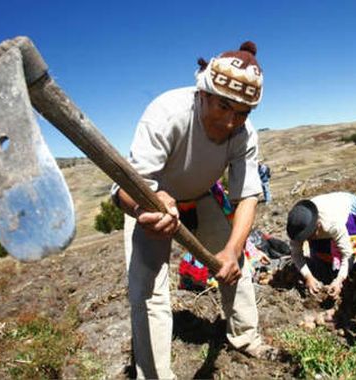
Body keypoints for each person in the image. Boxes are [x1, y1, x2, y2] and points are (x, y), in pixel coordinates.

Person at [113, 41, 272, 378]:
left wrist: (231, 249)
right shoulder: (166, 113)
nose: (231, 121)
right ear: (203, 93)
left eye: (242, 113)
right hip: (153, 201)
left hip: (201, 197)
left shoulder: (245, 134)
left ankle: (245, 337)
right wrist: (146, 208)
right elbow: (124, 188)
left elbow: (247, 196)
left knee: (234, 266)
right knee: (148, 292)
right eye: (223, 106)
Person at [286, 192, 356, 299]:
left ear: (317, 226)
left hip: (348, 209)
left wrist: (339, 280)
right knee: (321, 253)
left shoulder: (332, 224)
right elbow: (296, 255)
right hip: (326, 213)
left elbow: (347, 254)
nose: (307, 239)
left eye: (310, 235)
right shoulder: (297, 227)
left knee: (354, 246)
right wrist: (308, 277)